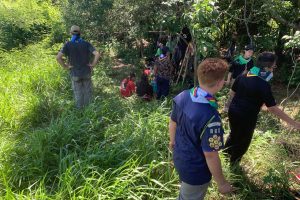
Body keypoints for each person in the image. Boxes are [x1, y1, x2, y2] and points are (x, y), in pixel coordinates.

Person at [169, 58, 235, 200]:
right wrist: (222, 184)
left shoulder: (182, 96)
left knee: (186, 192)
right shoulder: (211, 119)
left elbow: (172, 122)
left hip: (180, 157)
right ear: (219, 84)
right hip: (196, 171)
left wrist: (172, 142)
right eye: (223, 80)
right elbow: (211, 155)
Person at [224, 52, 300, 164]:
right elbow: (273, 108)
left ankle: (225, 156)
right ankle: (234, 165)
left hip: (233, 111)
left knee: (234, 134)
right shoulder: (263, 84)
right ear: (266, 67)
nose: (273, 70)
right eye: (273, 66)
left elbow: (232, 93)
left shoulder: (244, 75)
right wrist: (294, 124)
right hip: (247, 116)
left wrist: (228, 106)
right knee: (243, 141)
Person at [56, 25, 100, 108]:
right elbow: (97, 54)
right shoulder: (86, 44)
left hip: (75, 73)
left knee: (78, 93)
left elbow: (58, 58)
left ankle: (80, 112)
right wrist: (93, 64)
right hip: (86, 72)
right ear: (80, 33)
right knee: (88, 92)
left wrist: (65, 66)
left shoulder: (67, 45)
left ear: (70, 33)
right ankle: (89, 110)